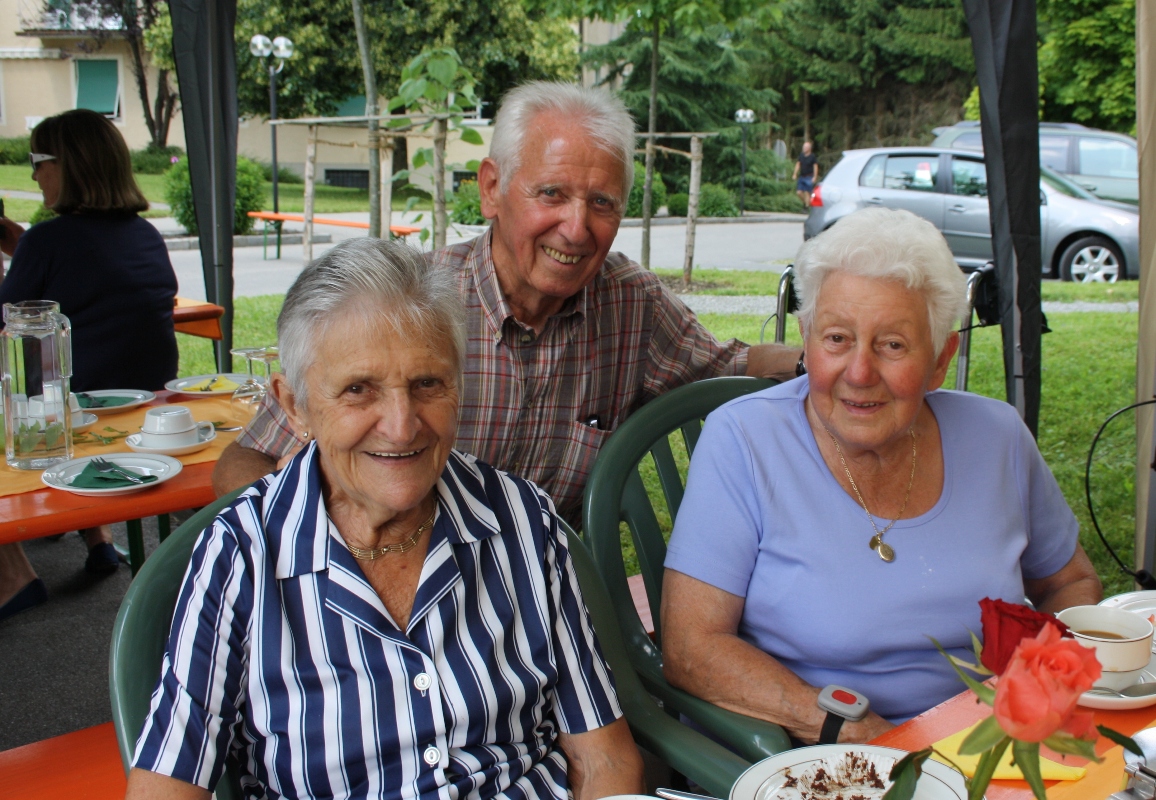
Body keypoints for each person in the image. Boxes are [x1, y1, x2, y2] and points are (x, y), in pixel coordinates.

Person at [126, 239, 644, 800]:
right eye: (358, 389)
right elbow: (167, 784)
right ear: (295, 405)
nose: (401, 426)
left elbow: (604, 758)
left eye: (427, 384)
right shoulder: (241, 554)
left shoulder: (521, 519)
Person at [211, 82, 804, 524]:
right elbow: (247, 461)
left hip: (538, 597)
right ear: (491, 188)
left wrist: (829, 357)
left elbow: (734, 364)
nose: (576, 228)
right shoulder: (409, 307)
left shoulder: (631, 305)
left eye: (602, 203)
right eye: (552, 193)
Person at [660, 207, 1101, 744]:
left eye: (893, 345)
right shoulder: (745, 440)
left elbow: (1070, 582)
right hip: (817, 753)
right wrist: (858, 734)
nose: (860, 372)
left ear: (940, 359)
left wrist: (1035, 685)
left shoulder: (997, 436)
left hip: (988, 743)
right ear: (806, 339)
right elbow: (692, 648)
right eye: (836, 338)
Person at [0, 110, 179, 621]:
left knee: (37, 380)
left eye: (38, 160)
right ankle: (98, 539)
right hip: (144, 406)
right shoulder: (144, 234)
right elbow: (91, 278)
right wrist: (22, 245)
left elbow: (10, 322)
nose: (34, 173)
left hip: (76, 421)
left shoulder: (46, 242)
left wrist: (24, 248)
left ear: (68, 164)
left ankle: (14, 576)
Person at [793, 141, 819, 208]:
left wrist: (815, 177)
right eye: (803, 147)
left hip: (809, 177)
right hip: (802, 176)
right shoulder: (801, 155)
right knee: (799, 192)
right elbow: (798, 164)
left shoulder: (812, 156)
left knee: (807, 192)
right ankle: (808, 204)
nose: (804, 148)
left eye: (805, 147)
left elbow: (815, 166)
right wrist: (795, 173)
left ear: (809, 148)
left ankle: (806, 207)